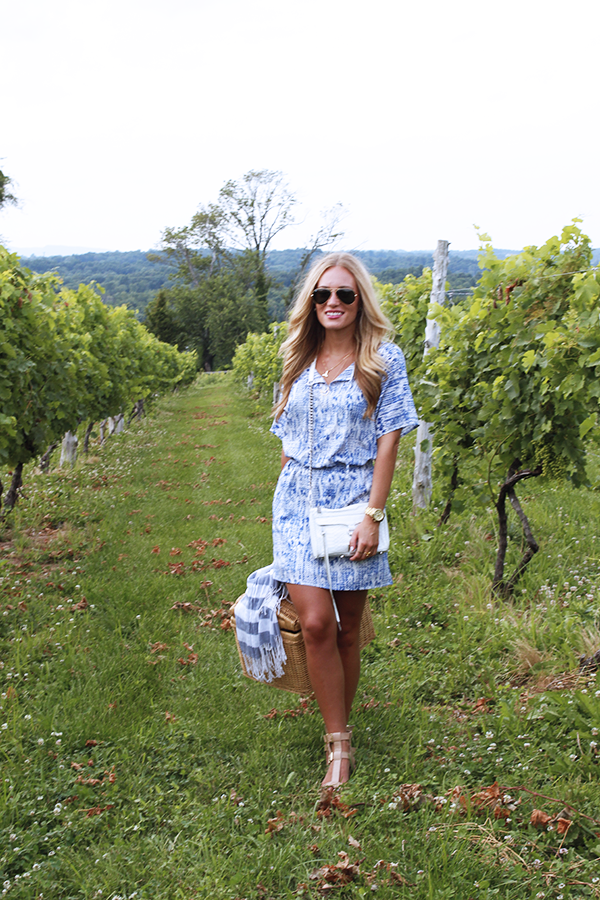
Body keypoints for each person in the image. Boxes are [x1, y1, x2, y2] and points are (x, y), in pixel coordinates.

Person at [270, 252, 418, 787]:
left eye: (344, 295)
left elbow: (390, 440)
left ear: (360, 303)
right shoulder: (295, 359)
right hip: (297, 501)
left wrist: (373, 516)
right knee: (316, 623)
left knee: (349, 628)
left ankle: (339, 726)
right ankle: (339, 747)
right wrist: (283, 517)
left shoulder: (384, 360)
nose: (333, 303)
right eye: (322, 295)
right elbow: (287, 444)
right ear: (311, 303)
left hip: (355, 501)